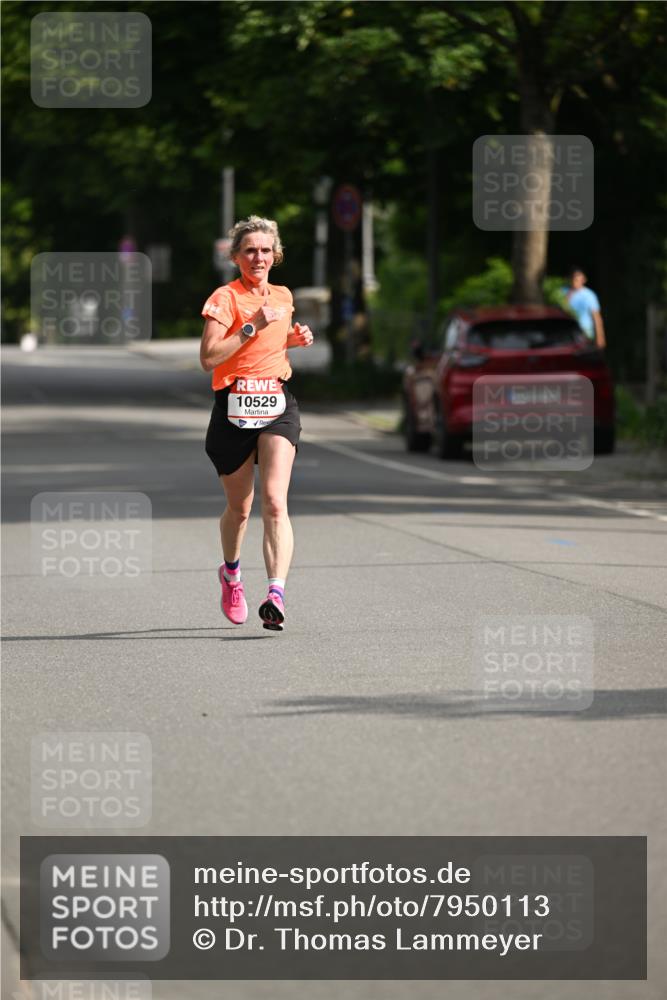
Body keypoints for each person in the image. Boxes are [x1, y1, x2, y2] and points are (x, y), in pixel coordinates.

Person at [200, 216, 313, 631]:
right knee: (241, 508)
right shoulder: (224, 299)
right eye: (249, 250)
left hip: (277, 404)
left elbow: (268, 345)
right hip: (233, 407)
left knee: (275, 502)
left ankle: (276, 594)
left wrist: (290, 340)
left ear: (276, 255)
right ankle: (231, 574)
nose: (258, 257)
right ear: (235, 257)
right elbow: (210, 357)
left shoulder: (283, 296)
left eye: (266, 250)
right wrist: (254, 325)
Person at [562, 266, 606, 348]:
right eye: (573, 278)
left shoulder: (589, 295)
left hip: (585, 333)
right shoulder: (562, 292)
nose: (575, 281)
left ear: (584, 279)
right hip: (566, 334)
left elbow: (596, 317)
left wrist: (600, 337)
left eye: (578, 278)